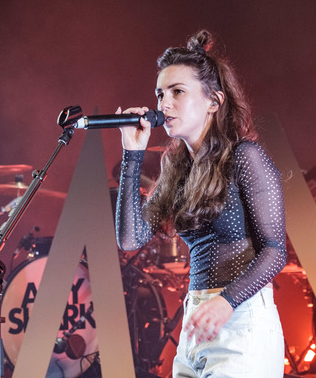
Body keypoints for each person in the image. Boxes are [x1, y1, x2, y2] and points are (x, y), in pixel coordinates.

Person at [114, 30, 286, 378]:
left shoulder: (244, 157)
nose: (163, 104)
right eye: (160, 93)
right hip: (198, 322)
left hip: (241, 320)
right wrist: (132, 154)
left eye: (178, 92)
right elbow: (130, 239)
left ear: (214, 101)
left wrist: (226, 302)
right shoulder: (178, 171)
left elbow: (275, 250)